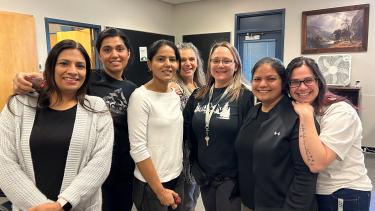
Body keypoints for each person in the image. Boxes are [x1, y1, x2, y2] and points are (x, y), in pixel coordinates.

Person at [12, 28, 137, 211]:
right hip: (85, 167)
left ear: (128, 53)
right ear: (99, 54)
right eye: (107, 49)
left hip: (122, 169)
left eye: (119, 49)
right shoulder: (85, 76)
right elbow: (46, 81)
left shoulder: (133, 89)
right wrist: (22, 79)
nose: (114, 55)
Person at [0, 39, 114, 211]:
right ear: (50, 67)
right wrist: (41, 206)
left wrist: (62, 204)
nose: (73, 71)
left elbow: (100, 164)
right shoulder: (19, 105)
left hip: (79, 207)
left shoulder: (97, 107)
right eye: (64, 63)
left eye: (80, 66)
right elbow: (4, 162)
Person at [286, 56, 372, 211]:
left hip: (344, 192)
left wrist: (306, 116)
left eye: (308, 80)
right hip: (317, 191)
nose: (302, 87)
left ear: (319, 81)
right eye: (295, 82)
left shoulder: (340, 111)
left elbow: (317, 163)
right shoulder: (300, 108)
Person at [235, 57, 317, 211]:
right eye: (257, 79)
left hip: (282, 206)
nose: (263, 84)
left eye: (271, 79)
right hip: (248, 203)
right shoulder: (253, 112)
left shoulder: (296, 117)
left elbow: (305, 176)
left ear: (283, 82)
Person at [183, 41, 254, 211]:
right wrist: (194, 165)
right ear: (209, 65)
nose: (220, 65)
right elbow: (186, 129)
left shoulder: (245, 97)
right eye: (215, 61)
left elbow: (251, 141)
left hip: (231, 179)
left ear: (236, 65)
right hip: (204, 175)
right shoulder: (198, 94)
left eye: (226, 61)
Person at [128, 39, 183, 211]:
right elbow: (138, 148)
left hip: (176, 176)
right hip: (151, 184)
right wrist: (159, 191)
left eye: (172, 59)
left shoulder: (174, 94)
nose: (168, 64)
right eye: (161, 59)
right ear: (149, 64)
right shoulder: (140, 97)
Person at [170, 42, 205, 211]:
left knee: (194, 195)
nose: (188, 63)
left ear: (197, 62)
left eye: (192, 59)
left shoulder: (202, 88)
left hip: (199, 152)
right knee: (184, 200)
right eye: (182, 59)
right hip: (182, 154)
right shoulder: (172, 88)